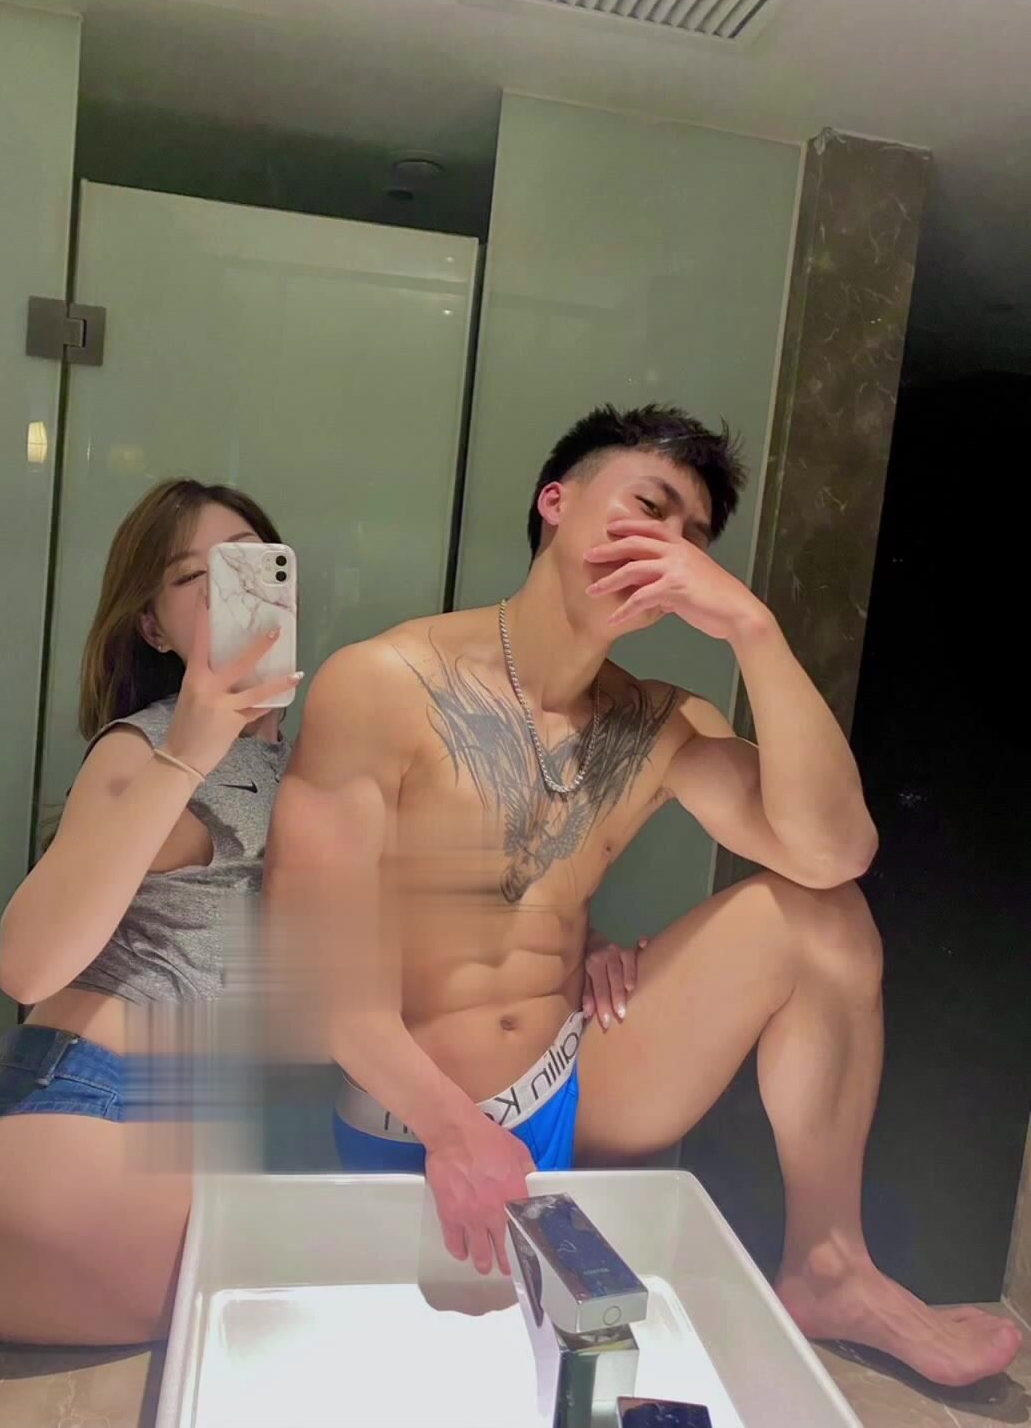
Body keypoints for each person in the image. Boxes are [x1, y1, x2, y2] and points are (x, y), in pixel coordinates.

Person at [266, 404, 1022, 1388]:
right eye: (649, 508)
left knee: (822, 919)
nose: (671, 548)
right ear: (556, 503)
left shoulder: (658, 723)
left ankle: (831, 1268)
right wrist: (455, 1129)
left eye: (694, 538)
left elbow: (836, 850)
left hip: (572, 1082)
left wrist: (754, 630)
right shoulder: (384, 684)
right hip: (408, 1112)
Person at [0, 479, 301, 1345]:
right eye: (190, 577)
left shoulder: (307, 758)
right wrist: (186, 754)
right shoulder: (141, 746)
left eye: (243, 566)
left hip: (175, 1132)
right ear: (153, 626)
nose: (221, 592)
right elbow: (27, 966)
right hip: (82, 1110)